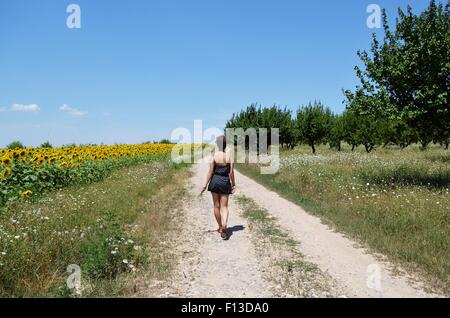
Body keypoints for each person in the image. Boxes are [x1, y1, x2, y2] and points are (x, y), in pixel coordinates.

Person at [201, 135, 236, 239]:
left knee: (216, 205)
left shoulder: (214, 156)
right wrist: (234, 184)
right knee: (224, 206)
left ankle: (220, 227)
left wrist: (205, 184)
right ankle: (225, 224)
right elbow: (231, 172)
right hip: (225, 181)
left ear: (217, 144)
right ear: (226, 144)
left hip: (215, 181)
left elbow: (210, 172)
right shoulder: (229, 156)